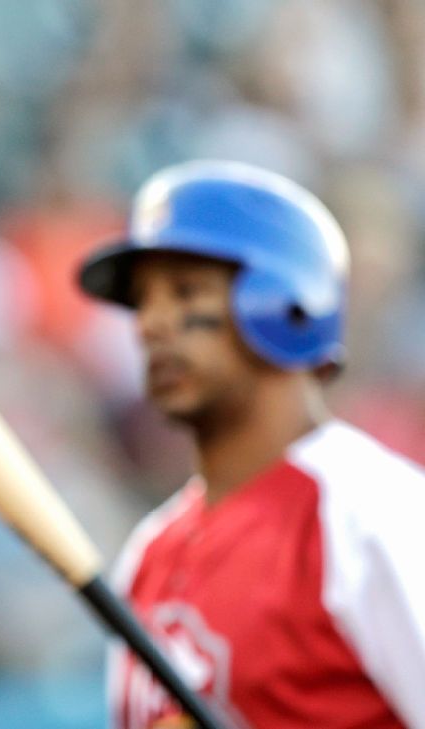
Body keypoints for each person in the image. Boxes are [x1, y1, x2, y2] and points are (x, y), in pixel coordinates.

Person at [77, 160, 425, 728]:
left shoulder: (376, 516)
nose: (151, 324)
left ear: (288, 304)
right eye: (143, 301)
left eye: (185, 292)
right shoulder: (148, 554)